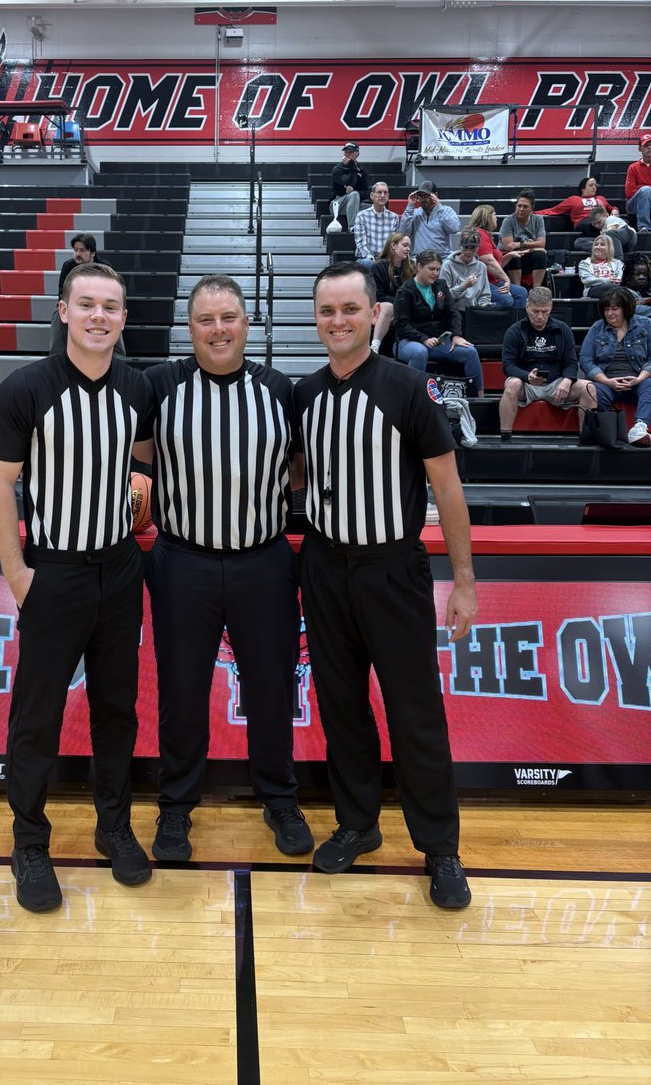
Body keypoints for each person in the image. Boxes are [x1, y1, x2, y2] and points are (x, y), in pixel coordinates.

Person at [294, 261, 477, 909]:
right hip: (323, 567)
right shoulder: (304, 394)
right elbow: (294, 477)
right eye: (326, 311)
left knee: (414, 711)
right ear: (315, 319)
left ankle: (441, 848)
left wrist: (464, 581)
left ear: (375, 314)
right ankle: (358, 824)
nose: (337, 320)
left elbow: (448, 487)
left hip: (393, 567)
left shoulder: (406, 388)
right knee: (342, 709)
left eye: (349, 309)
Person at [0, 261, 153, 912]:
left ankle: (114, 828)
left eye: (110, 306)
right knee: (37, 717)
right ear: (62, 311)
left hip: (119, 569)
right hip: (52, 571)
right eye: (86, 304)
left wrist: (143, 495)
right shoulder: (26, 388)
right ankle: (29, 843)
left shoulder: (137, 388)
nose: (98, 316)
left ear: (123, 318)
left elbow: (142, 465)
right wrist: (17, 574)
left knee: (116, 711)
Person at [133, 275, 313, 864]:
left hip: (263, 560)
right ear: (190, 328)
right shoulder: (159, 387)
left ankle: (280, 799)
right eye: (206, 320)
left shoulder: (281, 390)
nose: (218, 329)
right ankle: (176, 808)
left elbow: (299, 468)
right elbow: (136, 460)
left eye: (229, 317)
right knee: (181, 692)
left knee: (270, 688)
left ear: (246, 322)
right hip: (182, 560)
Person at [498, 286, 596, 439]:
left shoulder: (563, 329)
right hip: (527, 384)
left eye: (544, 311)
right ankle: (505, 435)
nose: (539, 316)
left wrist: (567, 380)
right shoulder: (514, 331)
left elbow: (571, 361)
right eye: (535, 311)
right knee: (512, 384)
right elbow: (508, 366)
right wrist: (526, 376)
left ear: (551, 307)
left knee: (589, 387)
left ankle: (587, 436)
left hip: (556, 383)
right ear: (527, 306)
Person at [393, 249, 484, 394]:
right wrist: (423, 339)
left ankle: (480, 398)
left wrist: (456, 335)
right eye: (431, 269)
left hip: (437, 341)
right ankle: (411, 398)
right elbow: (401, 325)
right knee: (420, 352)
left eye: (438, 270)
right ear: (419, 267)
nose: (435, 273)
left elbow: (453, 312)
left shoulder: (440, 285)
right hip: (409, 340)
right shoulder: (405, 291)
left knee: (470, 351)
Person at [579, 286, 651, 446]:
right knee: (591, 390)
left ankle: (639, 428)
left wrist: (639, 378)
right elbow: (585, 360)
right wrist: (607, 381)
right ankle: (605, 431)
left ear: (626, 308)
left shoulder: (646, 325)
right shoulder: (597, 327)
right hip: (607, 382)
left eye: (614, 309)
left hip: (637, 381)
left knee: (650, 384)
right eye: (606, 309)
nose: (609, 313)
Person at [49, 233, 125, 357]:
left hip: (100, 304)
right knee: (59, 313)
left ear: (92, 253)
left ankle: (118, 358)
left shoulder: (104, 267)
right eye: (75, 250)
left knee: (112, 312)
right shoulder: (68, 266)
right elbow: (62, 294)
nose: (78, 254)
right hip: (79, 305)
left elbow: (112, 294)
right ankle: (55, 358)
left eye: (82, 250)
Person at [369, 231, 413, 354]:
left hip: (404, 309)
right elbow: (378, 295)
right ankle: (375, 346)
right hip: (383, 308)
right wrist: (399, 304)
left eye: (409, 246)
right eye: (405, 245)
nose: (408, 249)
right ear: (393, 246)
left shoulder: (410, 268)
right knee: (388, 307)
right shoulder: (378, 267)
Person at [499, 191, 548, 290]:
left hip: (528, 256)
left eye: (525, 207)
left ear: (531, 209)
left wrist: (520, 244)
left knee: (541, 255)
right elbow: (509, 246)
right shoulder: (508, 220)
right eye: (519, 206)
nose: (521, 209)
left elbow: (542, 243)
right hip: (509, 258)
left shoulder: (538, 219)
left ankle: (536, 290)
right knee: (514, 254)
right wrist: (531, 247)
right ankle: (518, 289)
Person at [398, 180, 460, 258]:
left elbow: (454, 229)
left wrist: (439, 209)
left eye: (427, 196)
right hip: (419, 258)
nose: (423, 199)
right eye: (421, 196)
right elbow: (403, 233)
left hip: (442, 258)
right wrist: (410, 206)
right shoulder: (413, 213)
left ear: (435, 195)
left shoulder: (446, 210)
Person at [440, 227, 494, 312]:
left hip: (474, 311)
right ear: (459, 246)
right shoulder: (448, 265)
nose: (469, 252)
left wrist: (484, 306)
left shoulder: (481, 267)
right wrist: (464, 286)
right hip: (453, 311)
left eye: (473, 248)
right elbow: (443, 296)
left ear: (478, 248)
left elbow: (485, 295)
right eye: (465, 247)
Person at [537, 176, 618, 226]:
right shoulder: (574, 199)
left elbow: (611, 208)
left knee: (622, 222)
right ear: (582, 188)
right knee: (594, 224)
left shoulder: (601, 198)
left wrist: (615, 210)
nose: (594, 187)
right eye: (591, 185)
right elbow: (553, 210)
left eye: (595, 185)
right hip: (585, 222)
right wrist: (533, 213)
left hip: (603, 220)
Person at [352, 181, 398, 268]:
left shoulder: (394, 217)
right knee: (370, 264)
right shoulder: (362, 216)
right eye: (379, 192)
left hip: (385, 259)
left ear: (388, 196)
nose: (382, 195)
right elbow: (361, 243)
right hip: (365, 258)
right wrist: (371, 258)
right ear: (372, 196)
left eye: (385, 193)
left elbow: (393, 244)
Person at [327, 142, 370, 233]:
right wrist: (352, 166)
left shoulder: (362, 169)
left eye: (350, 152)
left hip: (355, 204)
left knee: (376, 208)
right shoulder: (338, 169)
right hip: (337, 204)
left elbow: (366, 192)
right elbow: (350, 183)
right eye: (346, 152)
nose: (348, 154)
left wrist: (354, 191)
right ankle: (352, 227)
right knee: (354, 195)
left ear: (357, 154)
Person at [578, 234, 624, 298]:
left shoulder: (617, 263)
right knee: (618, 290)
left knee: (617, 290)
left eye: (602, 245)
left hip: (613, 288)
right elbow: (587, 280)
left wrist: (614, 281)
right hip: (593, 289)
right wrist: (607, 280)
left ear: (609, 248)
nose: (598, 247)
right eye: (596, 244)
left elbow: (618, 279)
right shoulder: (585, 263)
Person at [625, 133, 651, 232]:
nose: (650, 147)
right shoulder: (633, 167)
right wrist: (646, 189)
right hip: (633, 204)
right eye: (646, 145)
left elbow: (634, 189)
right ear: (640, 149)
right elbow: (629, 192)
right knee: (645, 191)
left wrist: (642, 188)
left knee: (646, 191)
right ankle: (644, 227)